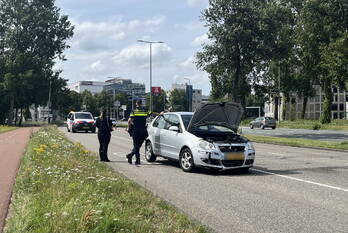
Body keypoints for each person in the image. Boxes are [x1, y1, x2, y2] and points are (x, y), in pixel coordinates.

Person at [126, 100, 151, 165]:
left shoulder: (133, 111)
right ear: (141, 104)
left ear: (136, 104)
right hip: (143, 131)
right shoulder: (145, 111)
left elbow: (129, 121)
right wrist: (160, 114)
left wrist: (129, 128)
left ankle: (130, 156)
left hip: (135, 131)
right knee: (138, 146)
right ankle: (137, 160)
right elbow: (152, 113)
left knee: (136, 146)